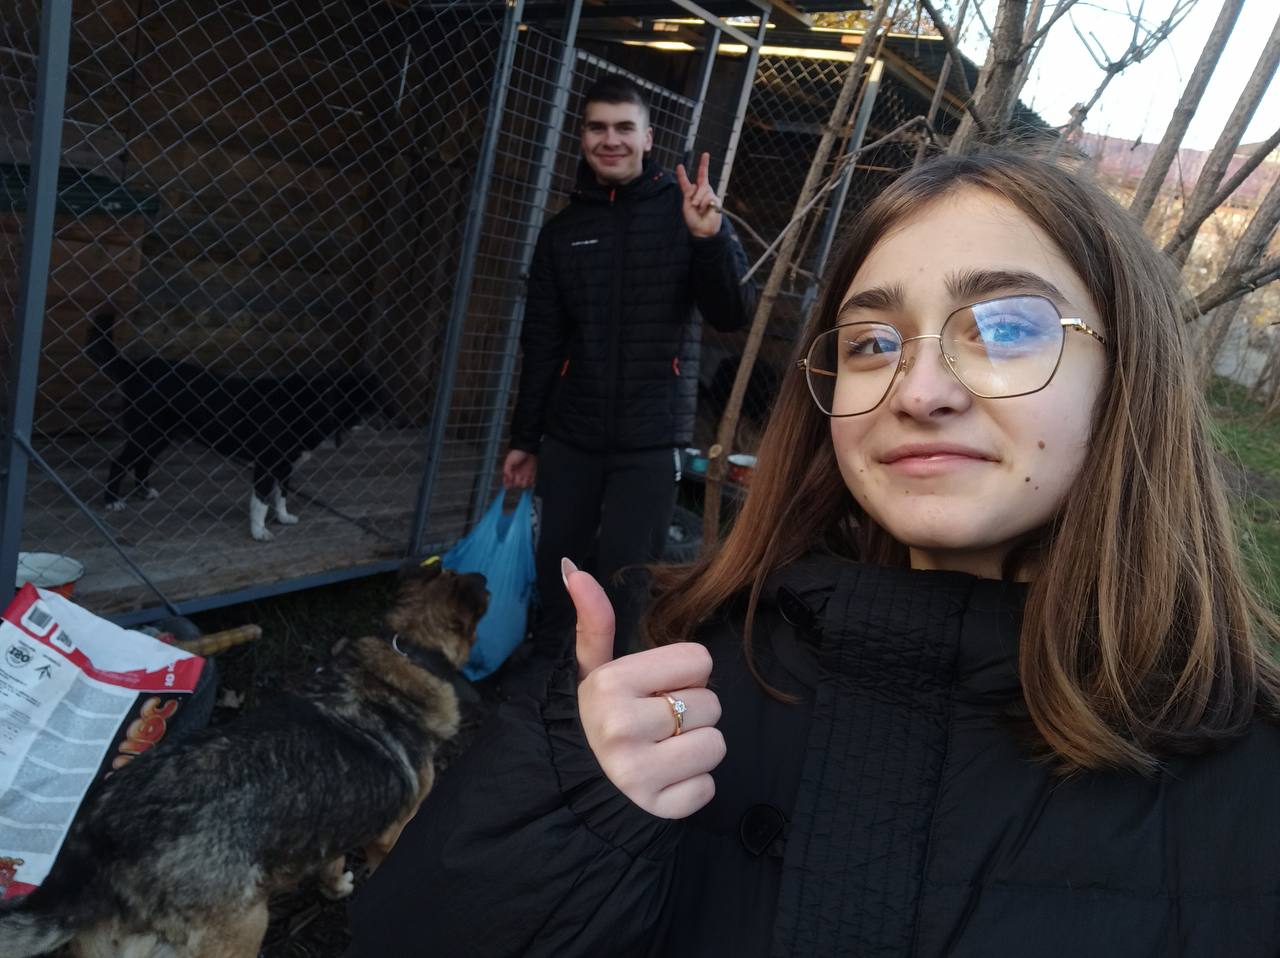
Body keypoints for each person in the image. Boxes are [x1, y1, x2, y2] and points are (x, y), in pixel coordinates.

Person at [346, 151, 1280, 956]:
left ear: (1129, 372)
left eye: (1003, 327)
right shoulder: (670, 662)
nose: (918, 390)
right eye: (871, 341)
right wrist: (574, 807)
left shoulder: (1250, 785)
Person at [501, 75, 757, 653]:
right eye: (597, 127)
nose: (610, 139)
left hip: (650, 437)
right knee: (559, 572)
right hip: (572, 433)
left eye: (624, 127)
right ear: (582, 136)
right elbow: (542, 343)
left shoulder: (688, 213)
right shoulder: (563, 233)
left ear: (648, 138)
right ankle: (549, 680)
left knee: (627, 578)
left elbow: (732, 312)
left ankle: (614, 685)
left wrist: (709, 239)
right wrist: (525, 439)